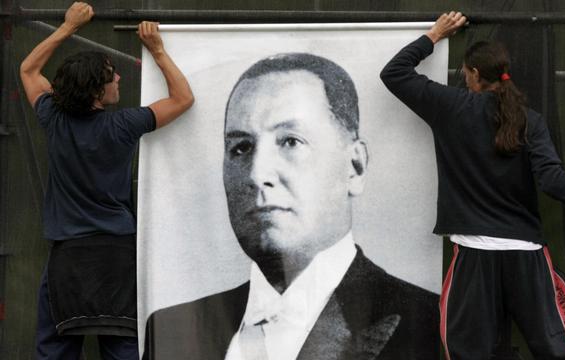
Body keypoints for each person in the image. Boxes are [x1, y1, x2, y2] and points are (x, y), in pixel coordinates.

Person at [143, 53, 439, 360]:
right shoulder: (171, 329)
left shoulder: (430, 323)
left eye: (291, 141)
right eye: (241, 147)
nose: (258, 174)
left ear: (354, 166)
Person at [380, 11, 565, 360]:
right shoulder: (530, 121)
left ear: (474, 74)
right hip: (525, 254)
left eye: (466, 72)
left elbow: (394, 74)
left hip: (475, 253)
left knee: (469, 352)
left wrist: (435, 34)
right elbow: (551, 180)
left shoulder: (451, 107)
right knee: (559, 351)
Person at [19, 2, 194, 359]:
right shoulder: (124, 125)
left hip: (67, 254)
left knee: (55, 349)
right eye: (111, 75)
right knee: (122, 348)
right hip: (116, 254)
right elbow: (183, 98)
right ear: (97, 91)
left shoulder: (53, 118)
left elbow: (28, 68)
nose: (118, 79)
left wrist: (69, 27)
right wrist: (157, 50)